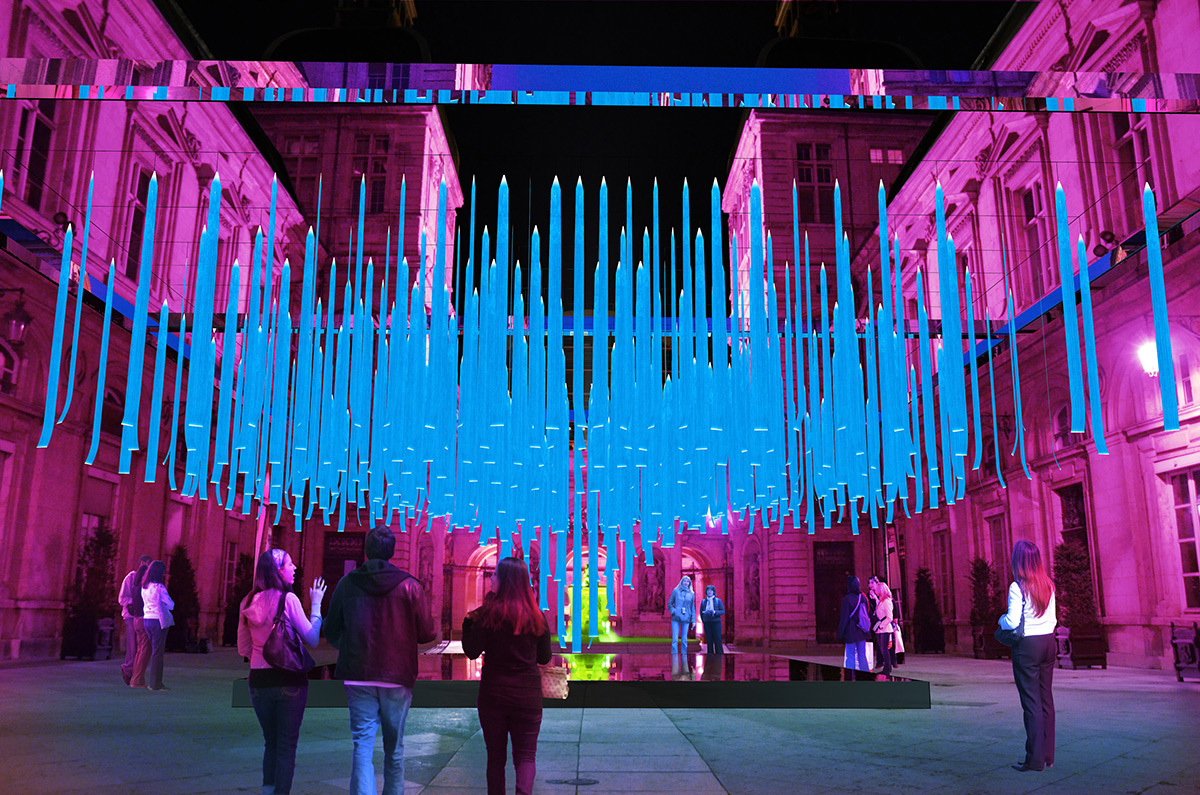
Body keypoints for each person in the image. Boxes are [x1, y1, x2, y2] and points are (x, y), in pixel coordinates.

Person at [325, 526, 436, 795]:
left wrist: (349, 647)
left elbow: (330, 630)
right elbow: (427, 633)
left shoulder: (347, 583)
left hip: (357, 672)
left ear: (366, 549)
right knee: (394, 749)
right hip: (397, 676)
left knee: (362, 746)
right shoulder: (410, 585)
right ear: (392, 552)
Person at [462, 557, 552, 795]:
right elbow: (543, 658)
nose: (491, 578)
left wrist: (467, 623)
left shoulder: (488, 615)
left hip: (494, 696)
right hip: (528, 698)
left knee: (495, 759)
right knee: (526, 756)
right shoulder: (537, 616)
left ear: (504, 580)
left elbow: (471, 652)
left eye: (495, 575)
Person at [239, 548, 325, 795]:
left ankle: (267, 791)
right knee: (286, 747)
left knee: (271, 742)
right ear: (279, 570)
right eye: (289, 563)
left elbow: (243, 646)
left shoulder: (247, 602)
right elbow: (312, 637)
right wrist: (316, 605)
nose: (295, 567)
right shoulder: (289, 600)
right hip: (289, 679)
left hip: (258, 681)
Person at [1001, 540, 1057, 773]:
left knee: (1031, 703)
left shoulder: (1018, 587)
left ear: (1018, 561)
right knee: (1046, 700)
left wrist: (1000, 621)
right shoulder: (1048, 584)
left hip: (1028, 646)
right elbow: (1052, 618)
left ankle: (1034, 760)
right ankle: (1047, 755)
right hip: (1048, 642)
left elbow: (1012, 621)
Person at [140, 560, 174, 692]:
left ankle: (154, 682)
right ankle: (155, 683)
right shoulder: (159, 587)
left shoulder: (145, 586)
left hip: (147, 619)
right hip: (158, 621)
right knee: (157, 653)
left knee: (154, 651)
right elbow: (171, 604)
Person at [121, 557, 152, 687]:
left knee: (139, 647)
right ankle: (129, 670)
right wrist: (134, 604)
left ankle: (132, 673)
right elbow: (122, 598)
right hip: (131, 616)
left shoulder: (146, 580)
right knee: (134, 647)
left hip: (140, 616)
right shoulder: (131, 577)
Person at [836, 575, 872, 675]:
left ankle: (850, 678)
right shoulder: (863, 597)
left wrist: (840, 633)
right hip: (861, 630)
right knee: (862, 656)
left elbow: (844, 618)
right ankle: (865, 678)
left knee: (850, 656)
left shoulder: (847, 599)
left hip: (851, 631)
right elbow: (868, 612)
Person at [871, 579, 897, 676]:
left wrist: (881, 626)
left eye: (877, 589)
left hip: (885, 630)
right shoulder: (882, 601)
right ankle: (887, 667)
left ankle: (887, 669)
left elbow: (889, 617)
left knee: (884, 649)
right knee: (882, 649)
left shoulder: (887, 601)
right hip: (880, 630)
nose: (875, 590)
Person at [667, 575, 696, 653]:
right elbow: (670, 603)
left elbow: (692, 607)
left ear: (689, 583)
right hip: (676, 619)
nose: (686, 583)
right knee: (675, 640)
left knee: (684, 640)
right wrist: (674, 611)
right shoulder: (676, 591)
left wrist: (693, 620)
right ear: (681, 582)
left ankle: (684, 657)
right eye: (684, 581)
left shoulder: (692, 594)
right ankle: (674, 657)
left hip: (686, 618)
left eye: (687, 581)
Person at [699, 584, 725, 655]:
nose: (709, 592)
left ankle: (719, 656)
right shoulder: (703, 602)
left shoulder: (718, 601)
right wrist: (704, 620)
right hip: (707, 623)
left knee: (717, 639)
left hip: (716, 622)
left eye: (711, 590)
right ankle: (710, 656)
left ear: (713, 592)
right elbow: (701, 612)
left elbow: (722, 611)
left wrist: (715, 612)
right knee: (709, 641)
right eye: (708, 590)